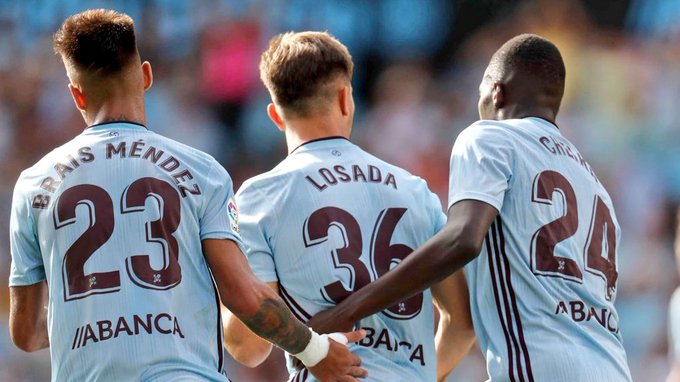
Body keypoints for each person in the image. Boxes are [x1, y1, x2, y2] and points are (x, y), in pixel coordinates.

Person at [8, 9, 366, 382]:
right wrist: (314, 350)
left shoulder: (33, 184)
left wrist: (99, 315)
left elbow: (26, 333)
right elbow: (243, 296)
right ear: (146, 76)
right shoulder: (201, 171)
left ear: (77, 95)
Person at [307, 33, 633, 381]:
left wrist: (348, 310)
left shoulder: (490, 137)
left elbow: (462, 239)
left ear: (496, 92)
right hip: (614, 366)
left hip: (538, 365)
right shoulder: (594, 184)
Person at [221, 31, 475, 382]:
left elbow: (248, 346)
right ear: (345, 98)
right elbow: (463, 325)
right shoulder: (415, 190)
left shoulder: (260, 196)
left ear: (275, 116)